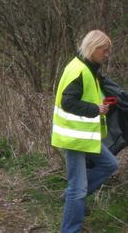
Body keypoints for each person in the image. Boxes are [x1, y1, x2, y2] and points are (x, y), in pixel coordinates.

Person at [51, 30, 118, 232]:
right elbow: (68, 101)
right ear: (93, 48)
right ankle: (70, 229)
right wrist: (96, 109)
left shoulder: (89, 68)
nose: (107, 55)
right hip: (74, 138)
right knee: (77, 190)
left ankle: (70, 197)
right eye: (104, 51)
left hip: (85, 137)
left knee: (109, 164)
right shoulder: (79, 70)